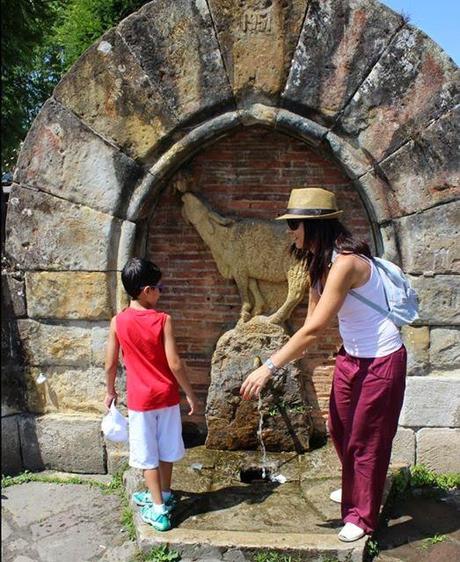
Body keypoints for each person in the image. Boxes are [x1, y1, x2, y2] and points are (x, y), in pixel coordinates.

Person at [240, 187, 406, 542]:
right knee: (340, 429)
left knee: (367, 439)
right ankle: (355, 490)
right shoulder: (319, 263)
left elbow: (315, 330)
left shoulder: (345, 263)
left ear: (314, 225)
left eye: (294, 224)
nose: (290, 232)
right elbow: (309, 326)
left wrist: (269, 366)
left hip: (382, 359)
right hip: (352, 358)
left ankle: (361, 516)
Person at [104, 257, 199, 532]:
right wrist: (191, 395)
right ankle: (164, 498)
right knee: (167, 448)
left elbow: (110, 364)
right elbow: (175, 364)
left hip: (141, 402)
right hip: (167, 397)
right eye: (159, 287)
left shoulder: (118, 322)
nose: (161, 291)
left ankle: (158, 507)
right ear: (147, 290)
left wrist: (110, 391)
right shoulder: (163, 320)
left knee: (147, 456)